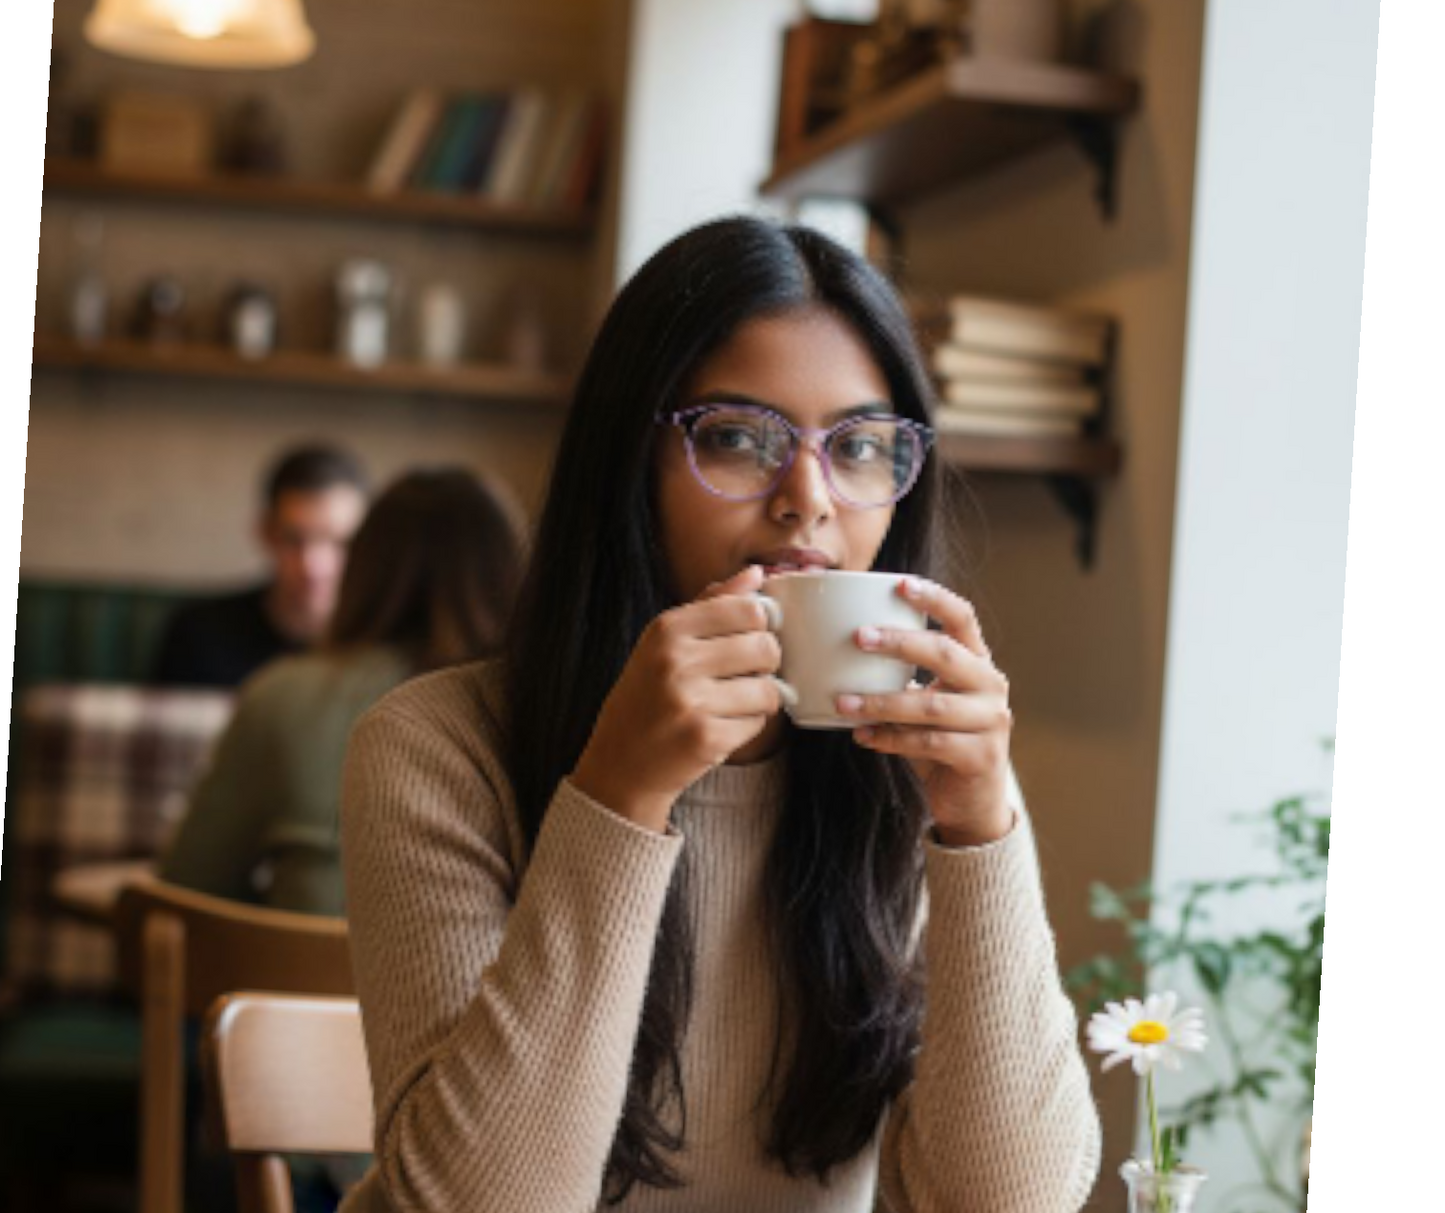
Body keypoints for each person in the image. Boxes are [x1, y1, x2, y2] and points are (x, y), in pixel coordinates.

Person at [339, 217, 1101, 1213]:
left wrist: (979, 828)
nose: (808, 500)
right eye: (738, 438)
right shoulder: (435, 747)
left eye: (861, 446)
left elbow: (1010, 1200)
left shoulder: (910, 765)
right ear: (629, 461)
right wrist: (617, 792)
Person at [158, 467, 525, 914]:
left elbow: (189, 885)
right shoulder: (536, 707)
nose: (314, 564)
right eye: (295, 538)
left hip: (298, 983)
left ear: (367, 565)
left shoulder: (281, 694)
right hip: (491, 982)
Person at [151, 443, 370, 689]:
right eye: (293, 539)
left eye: (340, 542)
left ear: (368, 542)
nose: (314, 566)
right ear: (264, 532)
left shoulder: (386, 649)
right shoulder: (197, 636)